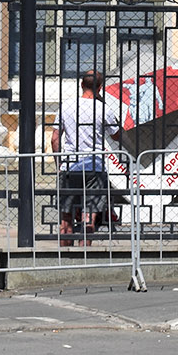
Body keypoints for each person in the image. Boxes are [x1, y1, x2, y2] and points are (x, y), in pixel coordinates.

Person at [49, 70, 125, 246]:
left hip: (69, 166)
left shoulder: (66, 106)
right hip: (94, 167)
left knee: (66, 218)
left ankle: (64, 261)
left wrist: (59, 163)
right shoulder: (103, 109)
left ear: (81, 85)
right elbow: (116, 135)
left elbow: (54, 138)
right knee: (88, 219)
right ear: (100, 87)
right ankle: (84, 260)